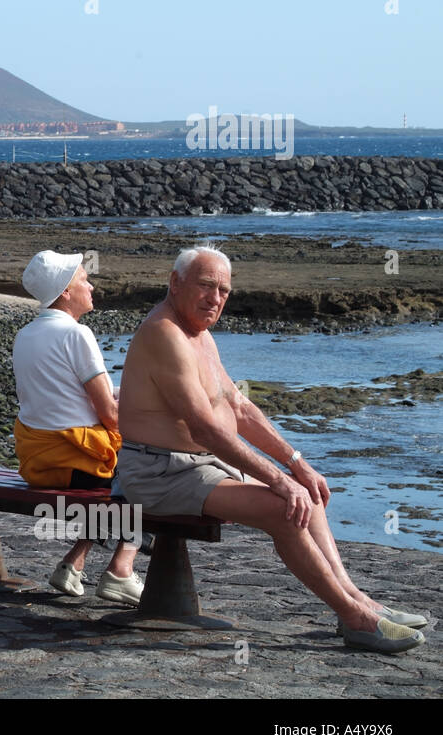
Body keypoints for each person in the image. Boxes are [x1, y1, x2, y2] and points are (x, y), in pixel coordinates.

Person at [118, 246, 427, 653]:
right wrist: (278, 482)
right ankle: (357, 620)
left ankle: (359, 599)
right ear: (175, 283)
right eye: (206, 285)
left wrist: (297, 464)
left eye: (224, 291)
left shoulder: (200, 334)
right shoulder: (164, 333)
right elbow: (205, 428)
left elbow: (240, 408)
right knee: (285, 508)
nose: (215, 298)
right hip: (160, 473)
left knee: (308, 494)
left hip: (201, 467)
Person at [12, 250, 142, 604]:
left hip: (38, 465)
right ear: (65, 292)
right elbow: (110, 416)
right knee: (145, 474)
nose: (91, 285)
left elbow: (63, 396)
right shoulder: (77, 334)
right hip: (76, 464)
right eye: (84, 279)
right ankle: (121, 569)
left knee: (114, 477)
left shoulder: (24, 336)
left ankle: (74, 562)